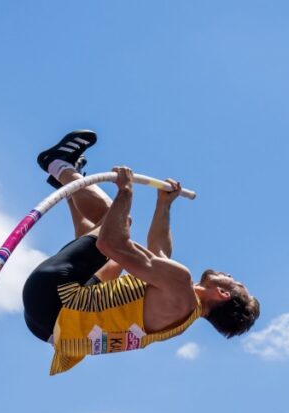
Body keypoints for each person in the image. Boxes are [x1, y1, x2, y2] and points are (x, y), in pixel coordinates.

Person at [23, 130, 260, 375]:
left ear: (222, 293)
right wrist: (164, 205)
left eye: (235, 282)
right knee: (113, 261)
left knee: (112, 222)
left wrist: (125, 192)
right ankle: (70, 185)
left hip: (51, 298)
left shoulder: (181, 284)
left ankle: (56, 163)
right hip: (50, 328)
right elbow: (158, 254)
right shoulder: (180, 313)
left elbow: (110, 242)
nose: (230, 274)